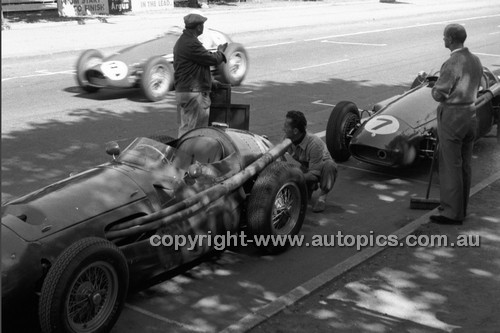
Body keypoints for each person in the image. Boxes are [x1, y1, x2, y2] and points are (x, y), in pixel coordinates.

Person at [430, 24, 483, 225]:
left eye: (444, 36)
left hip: (453, 117)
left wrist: (434, 88)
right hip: (470, 115)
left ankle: (451, 213)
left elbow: (439, 93)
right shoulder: (475, 60)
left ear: (451, 39)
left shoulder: (452, 63)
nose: (443, 39)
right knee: (465, 165)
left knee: (451, 165)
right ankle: (461, 208)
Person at [173, 12, 227, 138]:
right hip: (194, 93)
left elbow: (194, 66)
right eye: (202, 25)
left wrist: (211, 82)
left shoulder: (183, 41)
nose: (203, 27)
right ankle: (190, 156)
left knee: (186, 130)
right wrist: (220, 53)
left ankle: (182, 155)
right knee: (196, 133)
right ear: (198, 27)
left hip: (185, 91)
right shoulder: (191, 43)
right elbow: (210, 59)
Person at [283, 110, 338, 213]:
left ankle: (322, 198)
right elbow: (279, 154)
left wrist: (292, 177)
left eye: (286, 126)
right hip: (306, 166)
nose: (283, 129)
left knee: (329, 166)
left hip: (320, 169)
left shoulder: (314, 144)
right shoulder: (288, 138)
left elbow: (314, 174)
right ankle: (309, 188)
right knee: (302, 196)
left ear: (295, 131)